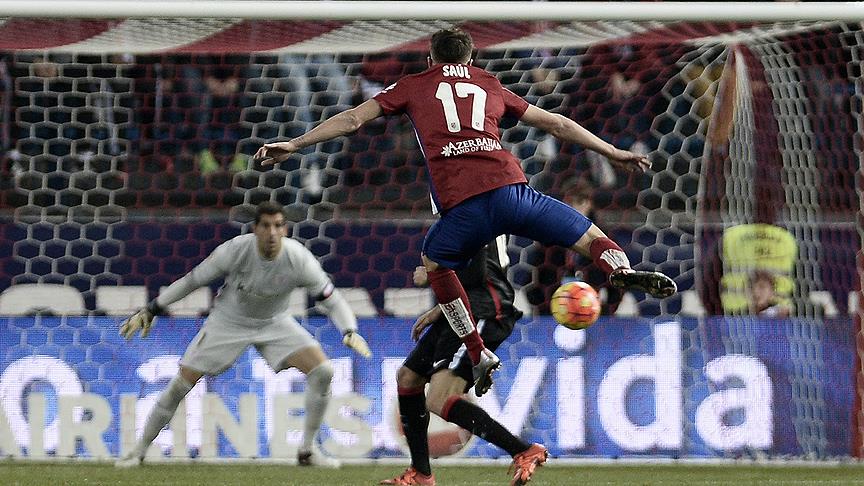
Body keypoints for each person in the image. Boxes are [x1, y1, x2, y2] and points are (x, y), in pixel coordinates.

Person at [255, 28, 677, 397]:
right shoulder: (488, 83)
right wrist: (612, 151)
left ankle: (477, 351)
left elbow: (352, 120)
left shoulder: (413, 85)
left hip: (466, 206)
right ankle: (619, 268)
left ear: (430, 58)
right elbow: (557, 124)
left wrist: (295, 144)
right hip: (513, 192)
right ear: (471, 58)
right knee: (588, 235)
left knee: (435, 260)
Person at [115, 201, 372, 468]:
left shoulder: (299, 259)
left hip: (275, 322)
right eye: (266, 226)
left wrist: (349, 329)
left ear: (285, 230)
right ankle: (138, 451)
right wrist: (152, 309)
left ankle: (307, 450)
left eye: (278, 226)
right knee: (181, 384)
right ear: (255, 229)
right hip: (229, 322)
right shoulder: (235, 250)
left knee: (323, 371)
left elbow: (331, 299)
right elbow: (193, 281)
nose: (272, 233)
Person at [381, 236, 547, 486]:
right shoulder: (469, 217)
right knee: (408, 377)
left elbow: (475, 274)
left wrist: (431, 275)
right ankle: (420, 474)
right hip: (460, 305)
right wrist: (442, 308)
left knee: (439, 398)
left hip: (482, 309)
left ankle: (523, 450)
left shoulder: (468, 216)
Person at [527, 177, 623, 315]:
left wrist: (604, 312)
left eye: (580, 202)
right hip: (554, 314)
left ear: (590, 204)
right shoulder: (548, 237)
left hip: (593, 314)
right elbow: (533, 282)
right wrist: (547, 311)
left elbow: (617, 285)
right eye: (570, 202)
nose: (575, 207)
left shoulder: (604, 238)